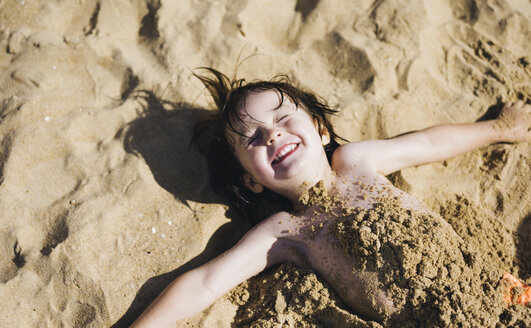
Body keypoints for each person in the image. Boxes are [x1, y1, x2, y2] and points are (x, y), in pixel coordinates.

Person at [131, 68, 530, 327]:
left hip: (498, 293)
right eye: (253, 138)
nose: (271, 134)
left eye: (282, 118)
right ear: (250, 180)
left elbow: (426, 143)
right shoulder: (285, 231)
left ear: (321, 130)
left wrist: (498, 128)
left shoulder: (355, 161)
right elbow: (204, 284)